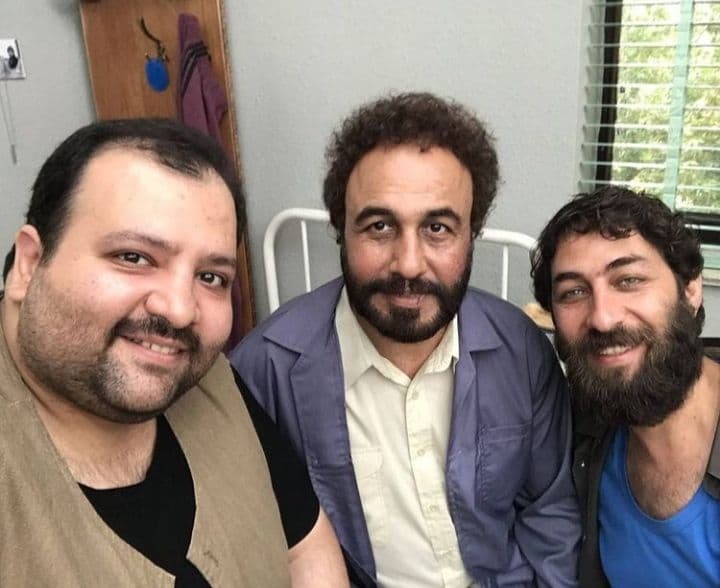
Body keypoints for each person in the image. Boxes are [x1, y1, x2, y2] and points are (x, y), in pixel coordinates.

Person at [230, 92, 580, 587]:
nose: (409, 264)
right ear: (341, 231)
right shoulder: (265, 371)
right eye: (379, 226)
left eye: (437, 227)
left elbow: (550, 510)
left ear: (472, 234)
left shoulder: (522, 351)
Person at [0, 118, 349, 587]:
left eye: (211, 277)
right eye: (134, 257)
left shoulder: (210, 379)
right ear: (28, 264)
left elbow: (305, 543)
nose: (181, 311)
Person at [531, 186, 720, 587]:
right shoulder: (579, 432)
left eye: (629, 279)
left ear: (690, 289)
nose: (602, 318)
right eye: (574, 292)